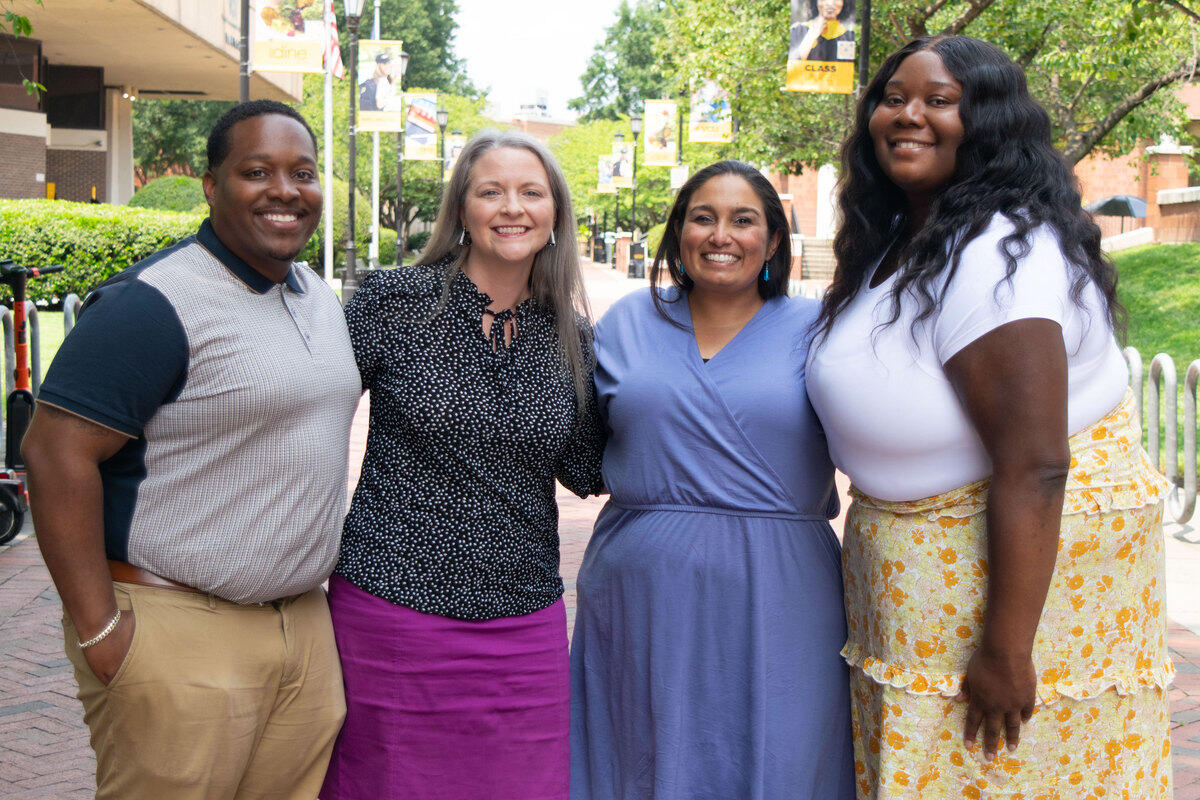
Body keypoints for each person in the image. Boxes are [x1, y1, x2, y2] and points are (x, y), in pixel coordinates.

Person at [805, 35, 1173, 798]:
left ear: (991, 124)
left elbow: (1035, 464)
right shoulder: (910, 240)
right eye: (893, 97)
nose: (908, 116)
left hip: (1002, 607)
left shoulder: (998, 251)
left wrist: (1007, 651)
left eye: (940, 101)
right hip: (919, 605)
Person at [22, 99, 361, 800]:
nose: (284, 191)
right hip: (177, 626)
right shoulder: (154, 302)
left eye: (302, 172)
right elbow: (54, 454)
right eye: (256, 171)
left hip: (301, 627)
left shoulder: (317, 296)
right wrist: (100, 631)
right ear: (211, 186)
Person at [319, 130, 603, 800]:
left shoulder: (571, 335)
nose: (513, 207)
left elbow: (588, 467)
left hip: (523, 616)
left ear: (555, 212)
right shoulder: (394, 303)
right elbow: (308, 410)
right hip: (391, 608)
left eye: (532, 192)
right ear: (463, 209)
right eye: (491, 191)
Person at [570, 160, 856, 799]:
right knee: (642, 756)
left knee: (781, 755)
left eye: (743, 220)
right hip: (641, 591)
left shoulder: (820, 333)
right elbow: (576, 444)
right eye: (703, 217)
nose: (720, 234)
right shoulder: (625, 325)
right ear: (678, 234)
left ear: (773, 241)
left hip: (783, 587)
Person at [789, 0, 856, 62]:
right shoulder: (800, 29)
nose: (830, 3)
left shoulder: (848, 36)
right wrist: (811, 36)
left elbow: (846, 68)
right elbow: (794, 63)